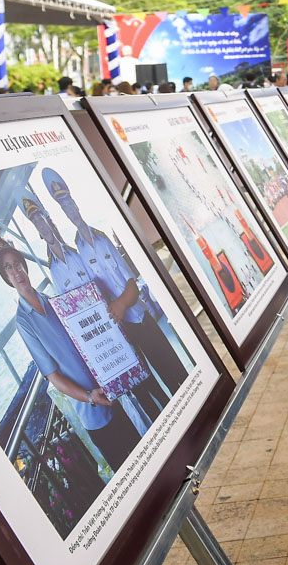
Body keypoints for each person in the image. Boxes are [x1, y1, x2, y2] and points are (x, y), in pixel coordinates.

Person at [0, 239, 143, 470]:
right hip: (92, 411)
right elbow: (53, 377)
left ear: (25, 265)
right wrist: (90, 396)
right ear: (5, 277)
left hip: (110, 391)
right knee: (128, 471)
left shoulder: (54, 301)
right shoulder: (23, 322)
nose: (16, 271)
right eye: (8, 267)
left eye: (17, 264)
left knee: (143, 454)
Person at [41, 168, 189, 395]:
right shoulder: (76, 251)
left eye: (71, 205)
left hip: (139, 319)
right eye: (64, 208)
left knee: (174, 373)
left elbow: (132, 283)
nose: (70, 211)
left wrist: (120, 305)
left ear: (77, 207)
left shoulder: (101, 239)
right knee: (146, 388)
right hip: (117, 334)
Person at [20, 195, 171, 416]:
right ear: (39, 232)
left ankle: (170, 407)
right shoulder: (54, 270)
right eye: (37, 224)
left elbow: (101, 287)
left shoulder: (77, 253)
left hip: (116, 323)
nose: (43, 226)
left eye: (43, 219)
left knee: (146, 375)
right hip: (102, 337)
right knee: (136, 389)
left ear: (50, 221)